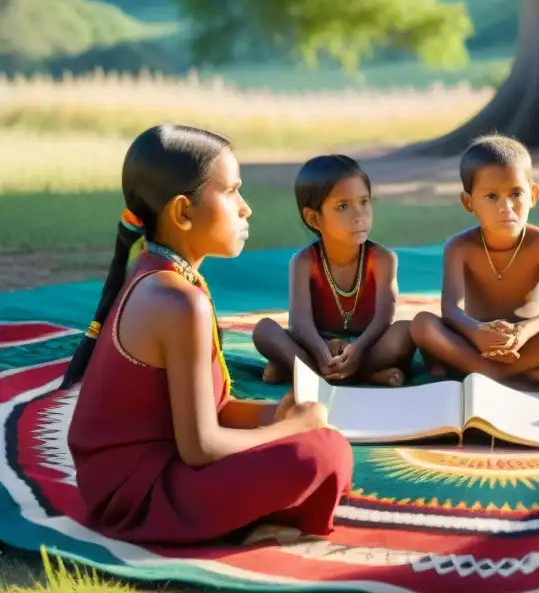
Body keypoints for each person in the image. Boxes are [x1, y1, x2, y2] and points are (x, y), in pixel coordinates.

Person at [62, 125, 352, 544]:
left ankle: (254, 513)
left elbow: (213, 409)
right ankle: (241, 522)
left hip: (152, 468)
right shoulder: (177, 300)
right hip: (138, 497)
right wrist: (291, 430)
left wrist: (278, 416)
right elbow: (200, 445)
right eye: (232, 191)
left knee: (325, 442)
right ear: (183, 212)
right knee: (320, 455)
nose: (246, 207)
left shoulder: (167, 275)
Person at [409, 134, 539, 394]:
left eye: (516, 193)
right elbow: (450, 309)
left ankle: (490, 373)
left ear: (533, 195)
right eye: (491, 196)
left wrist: (524, 332)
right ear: (468, 202)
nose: (506, 207)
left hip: (530, 342)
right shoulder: (459, 247)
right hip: (476, 342)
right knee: (422, 324)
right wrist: (477, 333)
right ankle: (523, 375)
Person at [253, 155, 414, 387]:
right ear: (314, 218)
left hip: (367, 345)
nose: (359, 215)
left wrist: (357, 350)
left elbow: (383, 319)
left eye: (365, 202)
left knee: (406, 331)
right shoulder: (304, 262)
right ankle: (360, 374)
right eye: (343, 206)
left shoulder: (383, 259)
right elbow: (300, 324)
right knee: (264, 330)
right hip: (317, 344)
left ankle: (303, 372)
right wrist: (321, 352)